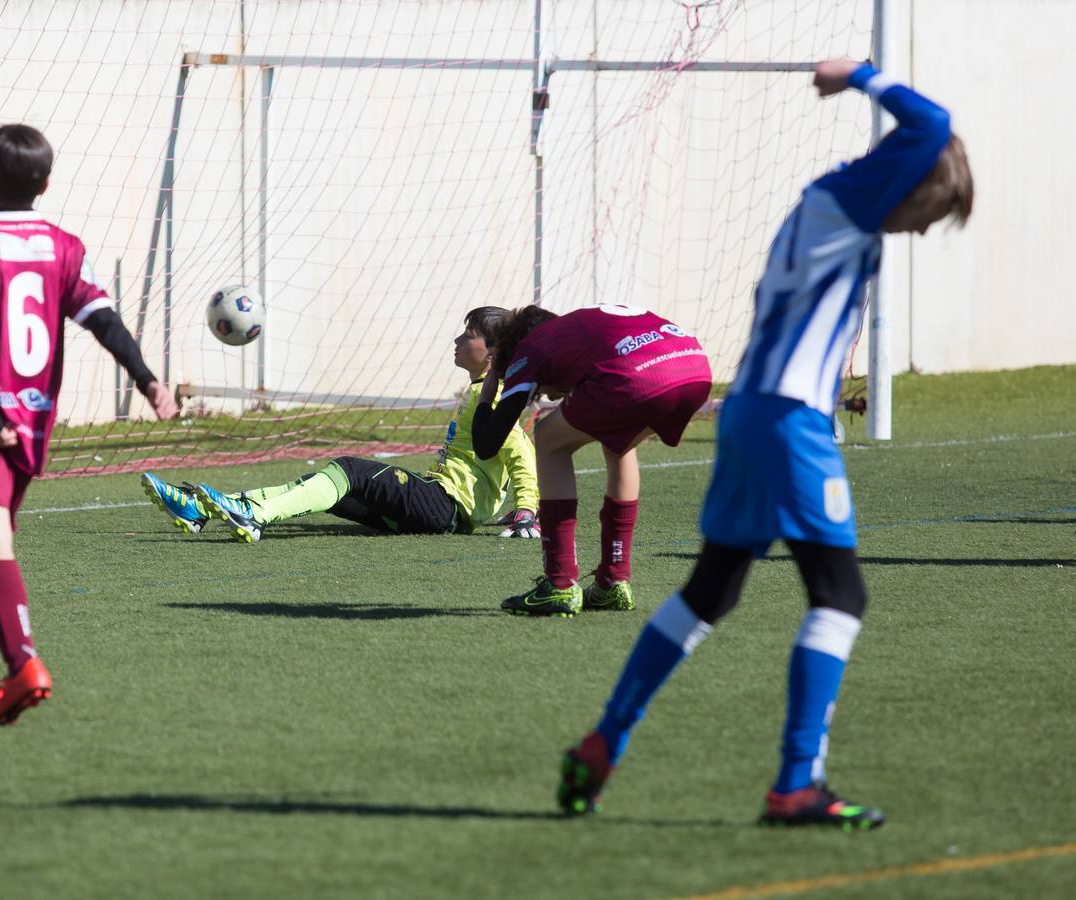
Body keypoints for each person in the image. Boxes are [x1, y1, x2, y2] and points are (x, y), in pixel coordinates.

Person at [556, 59, 972, 826]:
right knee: (838, 595)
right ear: (911, 185)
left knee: (709, 592)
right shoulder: (849, 202)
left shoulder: (818, 212)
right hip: (788, 421)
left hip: (749, 411)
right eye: (929, 212)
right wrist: (862, 75)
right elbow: (932, 125)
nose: (917, 228)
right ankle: (794, 784)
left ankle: (602, 742)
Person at [0, 124, 179, 724]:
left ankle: (22, 664)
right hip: (33, 420)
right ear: (46, 183)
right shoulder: (64, 247)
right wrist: (147, 380)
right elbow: (104, 321)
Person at [140, 307, 540, 543]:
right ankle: (204, 511)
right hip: (441, 512)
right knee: (325, 485)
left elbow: (519, 449)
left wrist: (527, 509)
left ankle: (251, 515)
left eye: (467, 334)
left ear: (492, 352)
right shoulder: (481, 390)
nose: (457, 339)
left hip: (444, 506)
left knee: (348, 469)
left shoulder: (495, 393)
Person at [471, 303, 713, 616]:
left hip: (639, 375)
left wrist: (487, 394)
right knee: (620, 443)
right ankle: (613, 581)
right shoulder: (578, 329)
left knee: (548, 439)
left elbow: (487, 444)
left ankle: (560, 584)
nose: (549, 397)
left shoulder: (529, 348)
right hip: (694, 367)